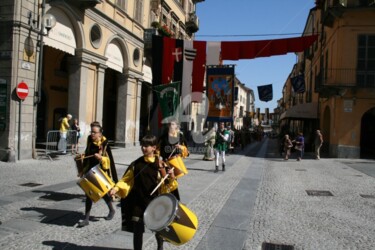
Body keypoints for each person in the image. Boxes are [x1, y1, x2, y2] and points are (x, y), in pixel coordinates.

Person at [109, 135, 178, 250]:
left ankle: (160, 247)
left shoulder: (160, 164)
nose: (143, 148)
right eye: (142, 145)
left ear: (154, 148)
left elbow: (168, 186)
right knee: (137, 229)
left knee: (158, 230)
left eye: (146, 146)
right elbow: (126, 180)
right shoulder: (136, 164)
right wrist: (116, 189)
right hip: (139, 202)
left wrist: (171, 176)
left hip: (155, 203)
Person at [78, 122, 118, 227]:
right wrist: (82, 166)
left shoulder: (105, 143)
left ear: (100, 134)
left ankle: (111, 210)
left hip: (101, 172)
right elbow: (87, 152)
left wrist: (101, 158)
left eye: (94, 132)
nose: (92, 134)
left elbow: (109, 161)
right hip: (90, 170)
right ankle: (86, 218)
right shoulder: (89, 140)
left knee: (102, 193)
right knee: (89, 193)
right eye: (91, 131)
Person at [157, 117, 189, 200]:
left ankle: (174, 199)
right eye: (170, 124)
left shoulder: (180, 136)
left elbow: (186, 151)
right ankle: (165, 198)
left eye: (173, 124)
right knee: (165, 180)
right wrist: (158, 160)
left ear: (177, 126)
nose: (171, 125)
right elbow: (157, 149)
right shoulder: (163, 137)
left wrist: (181, 147)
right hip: (165, 161)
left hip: (176, 162)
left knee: (173, 180)